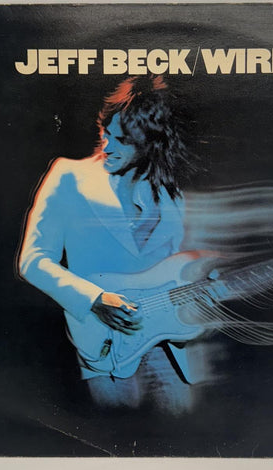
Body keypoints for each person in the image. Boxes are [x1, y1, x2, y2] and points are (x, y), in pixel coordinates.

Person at [18, 76, 199, 413]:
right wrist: (94, 299)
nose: (107, 147)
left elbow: (175, 269)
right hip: (102, 343)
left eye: (123, 140)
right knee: (117, 429)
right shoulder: (68, 175)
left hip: (166, 345)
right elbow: (33, 260)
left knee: (182, 430)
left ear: (151, 142)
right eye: (106, 133)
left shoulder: (170, 193)